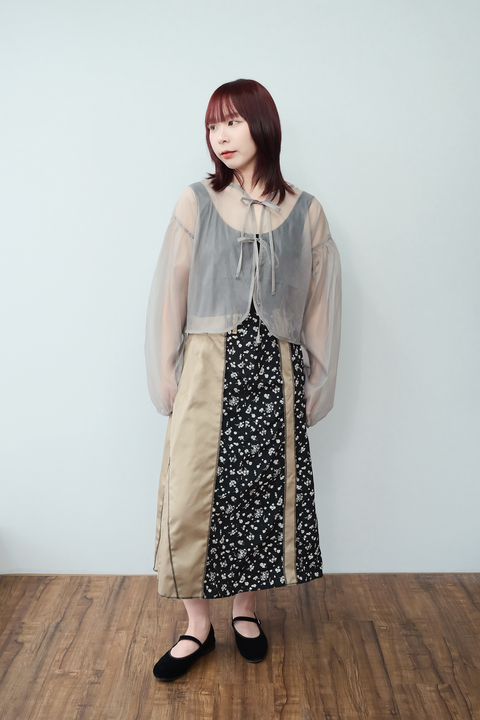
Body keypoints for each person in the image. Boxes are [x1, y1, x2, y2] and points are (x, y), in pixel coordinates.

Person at [145, 79, 341, 682]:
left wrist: (317, 383)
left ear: (263, 123)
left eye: (232, 121)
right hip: (207, 368)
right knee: (190, 498)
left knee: (257, 497)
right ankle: (196, 626)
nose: (221, 136)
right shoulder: (196, 202)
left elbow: (321, 304)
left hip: (273, 372)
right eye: (213, 125)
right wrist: (165, 372)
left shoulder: (306, 211)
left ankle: (246, 612)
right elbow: (169, 292)